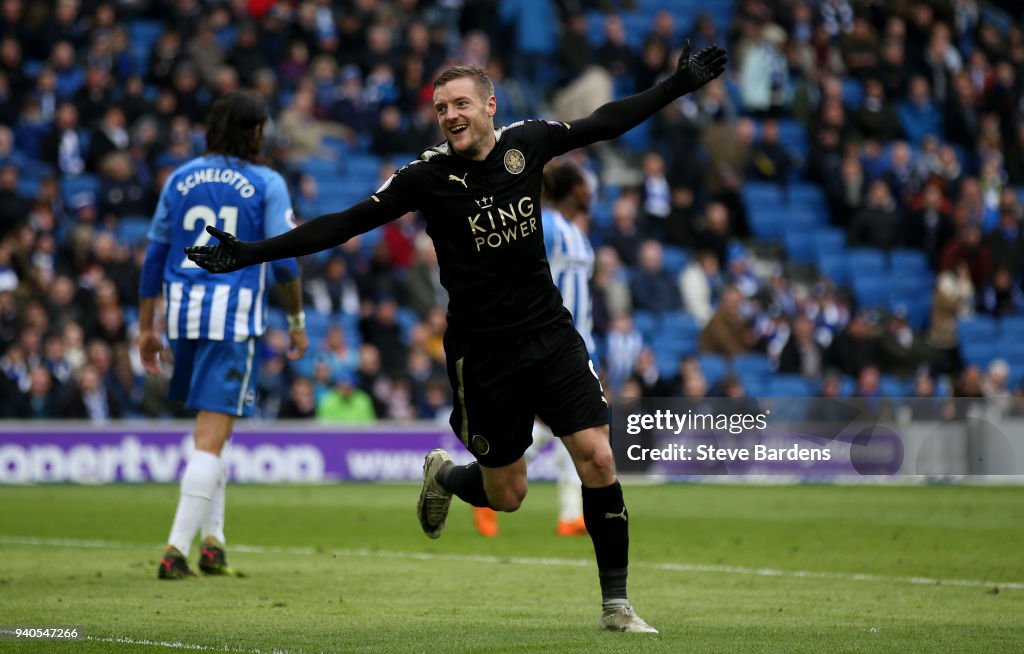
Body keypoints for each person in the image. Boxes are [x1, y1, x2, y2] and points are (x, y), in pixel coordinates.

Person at [186, 43, 727, 632]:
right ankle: (445, 475)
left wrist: (675, 86)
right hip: (483, 354)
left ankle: (615, 605)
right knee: (510, 493)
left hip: (551, 335)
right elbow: (344, 223)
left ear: (490, 106)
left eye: (461, 103)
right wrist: (252, 254)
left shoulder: (529, 143)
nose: (450, 115)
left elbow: (604, 121)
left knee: (598, 458)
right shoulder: (425, 177)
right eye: (441, 107)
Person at [138, 91, 308, 580]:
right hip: (231, 321)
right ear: (255, 130)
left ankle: (214, 542)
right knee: (211, 440)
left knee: (215, 430)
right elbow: (285, 258)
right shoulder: (266, 181)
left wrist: (146, 327)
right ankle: (175, 549)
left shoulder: (179, 178)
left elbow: (153, 257)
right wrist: (296, 324)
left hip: (182, 318)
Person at [472, 160, 594, 539]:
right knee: (565, 427)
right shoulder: (548, 226)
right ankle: (486, 485)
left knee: (568, 429)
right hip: (547, 339)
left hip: (579, 339)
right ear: (573, 190)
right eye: (585, 185)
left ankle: (570, 514)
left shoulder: (577, 233)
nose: (591, 191)